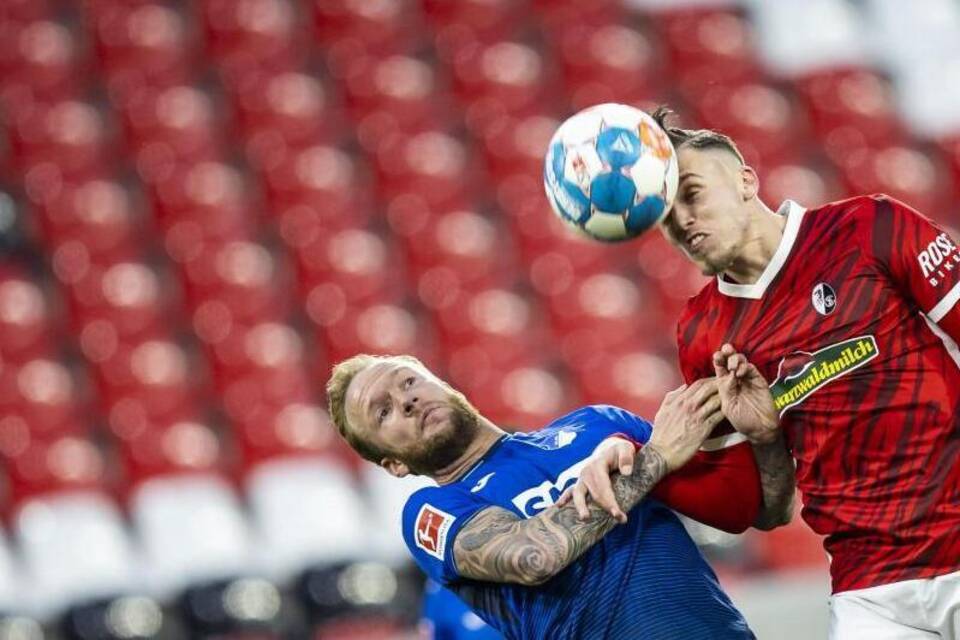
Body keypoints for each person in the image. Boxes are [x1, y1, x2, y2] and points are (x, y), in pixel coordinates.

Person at [577, 106, 960, 639]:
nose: (682, 221)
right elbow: (764, 511)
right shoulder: (703, 332)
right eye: (664, 215)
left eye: (692, 194)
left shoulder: (869, 227)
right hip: (871, 593)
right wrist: (758, 438)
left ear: (744, 179)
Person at [326, 353, 768, 639]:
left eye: (409, 382)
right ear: (394, 465)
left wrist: (762, 434)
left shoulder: (598, 425)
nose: (406, 401)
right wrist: (654, 458)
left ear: (445, 384)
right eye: (383, 412)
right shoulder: (432, 513)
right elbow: (532, 556)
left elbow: (762, 508)